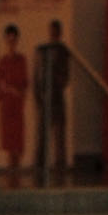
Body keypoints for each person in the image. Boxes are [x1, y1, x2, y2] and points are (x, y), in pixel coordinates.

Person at [33, 17, 71, 184]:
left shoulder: (64, 51)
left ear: (59, 32)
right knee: (42, 133)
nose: (53, 34)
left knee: (59, 133)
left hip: (57, 97)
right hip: (44, 96)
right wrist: (37, 96)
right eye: (51, 31)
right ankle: (40, 165)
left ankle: (60, 165)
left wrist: (57, 78)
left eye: (56, 31)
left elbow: (65, 77)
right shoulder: (42, 51)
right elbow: (36, 75)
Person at [0, 21, 30, 180]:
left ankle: (17, 172)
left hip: (17, 105)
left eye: (14, 39)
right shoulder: (2, 62)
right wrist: (5, 91)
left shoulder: (21, 60)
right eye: (9, 39)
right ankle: (10, 174)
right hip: (6, 106)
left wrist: (17, 91)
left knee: (18, 142)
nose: (11, 42)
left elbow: (24, 83)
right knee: (9, 144)